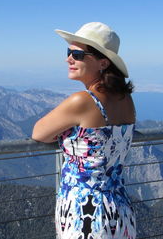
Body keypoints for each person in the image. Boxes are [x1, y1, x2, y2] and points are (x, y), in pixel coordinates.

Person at [32, 22, 137, 239]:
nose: (68, 58)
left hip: (86, 215)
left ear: (102, 63)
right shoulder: (126, 100)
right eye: (68, 52)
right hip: (119, 209)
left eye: (77, 54)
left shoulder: (82, 101)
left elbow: (39, 132)